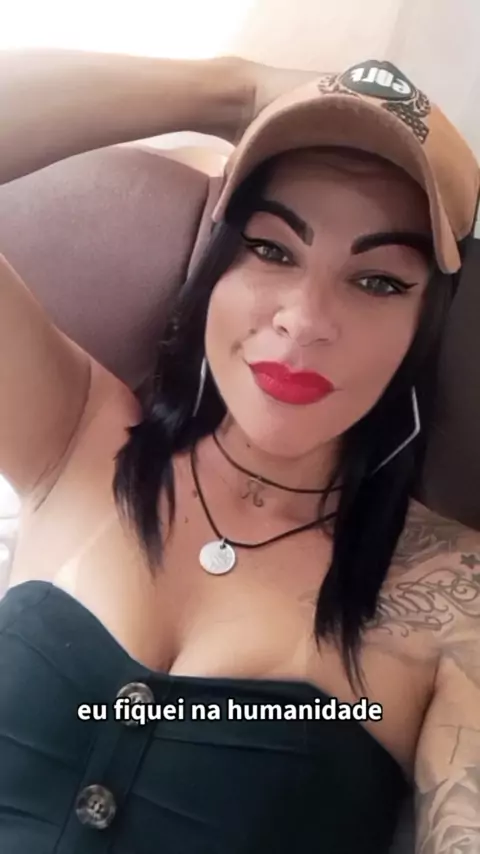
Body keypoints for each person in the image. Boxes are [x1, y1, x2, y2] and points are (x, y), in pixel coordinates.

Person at [0, 49, 479, 854]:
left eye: (378, 281)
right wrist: (230, 90)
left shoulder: (455, 596)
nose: (304, 320)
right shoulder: (74, 434)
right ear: (216, 262)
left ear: (426, 324)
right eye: (272, 249)